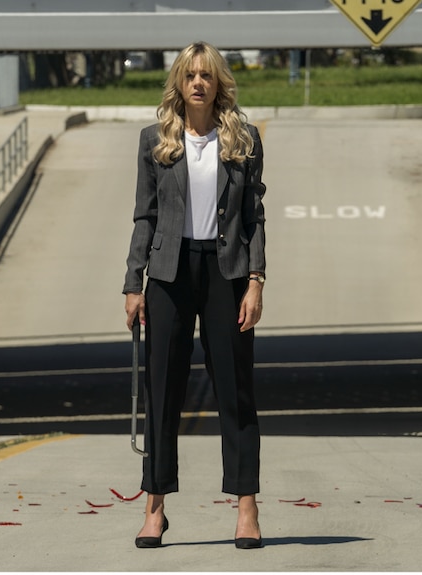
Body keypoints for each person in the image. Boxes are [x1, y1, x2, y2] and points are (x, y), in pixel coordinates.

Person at [122, 41, 267, 550]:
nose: (199, 83)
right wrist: (132, 282)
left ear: (218, 82)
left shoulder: (243, 138)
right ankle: (155, 507)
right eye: (191, 75)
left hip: (226, 274)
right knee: (162, 391)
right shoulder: (154, 140)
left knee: (236, 391)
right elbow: (145, 216)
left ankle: (246, 508)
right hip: (168, 274)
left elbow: (254, 219)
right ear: (179, 84)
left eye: (207, 75)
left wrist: (255, 280)